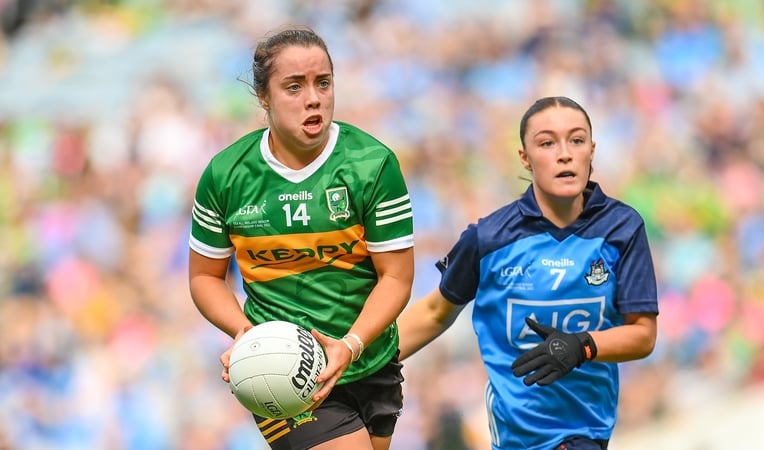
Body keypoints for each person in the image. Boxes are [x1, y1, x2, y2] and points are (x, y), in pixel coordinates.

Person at [188, 27, 414, 450]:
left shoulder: (372, 165)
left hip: (371, 360)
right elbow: (205, 277)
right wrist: (246, 335)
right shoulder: (225, 175)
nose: (314, 98)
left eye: (323, 82)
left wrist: (351, 344)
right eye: (294, 86)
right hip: (285, 371)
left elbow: (397, 278)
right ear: (264, 97)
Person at [397, 96, 658, 450]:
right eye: (547, 143)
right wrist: (357, 361)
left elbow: (643, 334)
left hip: (582, 435)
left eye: (577, 140)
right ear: (525, 157)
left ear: (592, 151)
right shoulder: (488, 238)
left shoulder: (622, 229)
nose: (564, 154)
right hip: (511, 440)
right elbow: (434, 312)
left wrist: (582, 345)